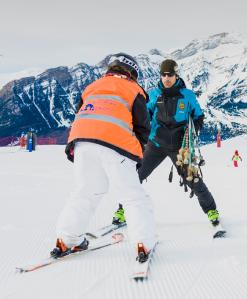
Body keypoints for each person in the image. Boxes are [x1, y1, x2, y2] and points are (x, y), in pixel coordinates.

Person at [51, 53, 156, 263]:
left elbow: (80, 111)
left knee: (85, 191)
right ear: (132, 72)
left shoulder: (93, 86)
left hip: (81, 141)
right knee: (132, 196)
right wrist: (137, 154)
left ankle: (67, 239)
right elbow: (143, 127)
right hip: (116, 143)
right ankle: (144, 243)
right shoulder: (134, 90)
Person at [112, 59, 221, 227]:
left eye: (170, 74)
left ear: (176, 75)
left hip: (180, 148)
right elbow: (144, 116)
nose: (166, 78)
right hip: (155, 144)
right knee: (135, 177)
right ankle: (122, 210)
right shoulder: (154, 95)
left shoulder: (187, 95)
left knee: (193, 179)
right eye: (163, 75)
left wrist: (193, 133)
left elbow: (198, 116)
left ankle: (211, 211)